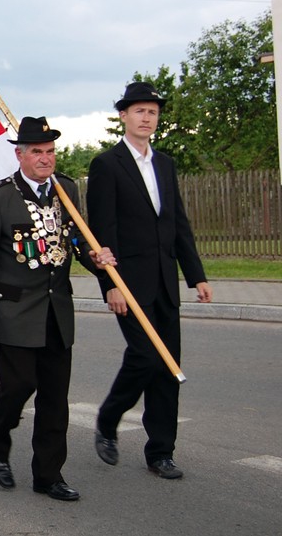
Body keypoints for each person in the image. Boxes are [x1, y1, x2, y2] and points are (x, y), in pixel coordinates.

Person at [0, 116, 113, 502]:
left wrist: (96, 258)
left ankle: (48, 474)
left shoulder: (65, 189)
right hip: (13, 311)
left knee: (54, 397)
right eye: (37, 152)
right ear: (20, 155)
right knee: (18, 386)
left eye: (50, 152)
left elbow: (74, 238)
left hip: (56, 310)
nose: (46, 159)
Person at [87, 82, 213, 480]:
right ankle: (108, 418)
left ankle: (161, 452)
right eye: (139, 111)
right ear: (123, 116)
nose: (147, 117)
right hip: (128, 282)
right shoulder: (107, 165)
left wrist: (196, 276)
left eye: (153, 112)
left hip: (166, 281)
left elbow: (177, 223)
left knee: (167, 368)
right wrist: (109, 284)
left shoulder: (166, 164)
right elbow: (101, 230)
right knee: (144, 356)